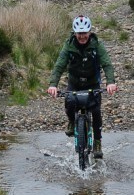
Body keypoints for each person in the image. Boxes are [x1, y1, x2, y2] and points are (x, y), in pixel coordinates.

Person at [47, 15, 118, 158]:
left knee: (96, 111)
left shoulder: (97, 45)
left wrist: (110, 82)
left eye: (84, 33)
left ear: (89, 32)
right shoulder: (69, 45)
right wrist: (53, 85)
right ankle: (72, 122)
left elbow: (107, 64)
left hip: (92, 83)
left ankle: (97, 142)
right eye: (79, 33)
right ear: (74, 33)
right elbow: (59, 65)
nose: (82, 36)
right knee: (69, 103)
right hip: (75, 83)